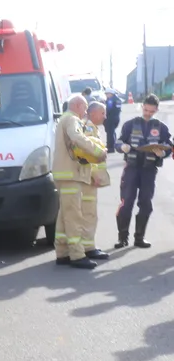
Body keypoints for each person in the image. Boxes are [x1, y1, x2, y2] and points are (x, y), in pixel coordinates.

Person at [53, 95, 108, 269]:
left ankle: (62, 253)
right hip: (71, 174)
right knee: (74, 216)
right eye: (84, 108)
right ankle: (77, 255)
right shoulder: (72, 119)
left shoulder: (64, 119)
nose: (85, 113)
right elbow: (76, 137)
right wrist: (97, 151)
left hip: (64, 174)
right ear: (77, 105)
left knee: (65, 215)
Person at [115, 94, 173, 248]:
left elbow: (168, 144)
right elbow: (119, 141)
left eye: (151, 111)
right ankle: (122, 238)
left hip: (149, 170)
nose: (148, 113)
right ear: (142, 107)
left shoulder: (161, 127)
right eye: (146, 110)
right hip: (131, 169)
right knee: (126, 202)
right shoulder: (130, 125)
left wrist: (163, 152)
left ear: (157, 110)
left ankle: (139, 238)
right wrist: (122, 147)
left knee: (146, 203)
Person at [80, 101, 111, 260]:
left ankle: (85, 245)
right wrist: (95, 175)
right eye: (103, 113)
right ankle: (88, 247)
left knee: (87, 212)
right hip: (88, 179)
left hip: (86, 178)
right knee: (89, 213)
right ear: (92, 113)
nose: (105, 117)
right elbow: (89, 152)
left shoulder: (89, 126)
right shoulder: (89, 128)